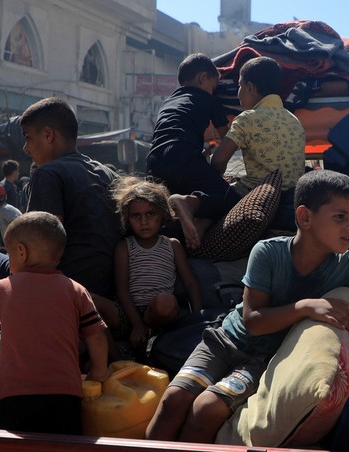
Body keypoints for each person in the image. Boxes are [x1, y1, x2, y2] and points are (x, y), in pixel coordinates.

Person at [145, 170, 349, 443]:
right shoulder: (268, 252)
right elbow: (252, 321)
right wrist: (306, 307)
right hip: (223, 342)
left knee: (206, 409)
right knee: (173, 399)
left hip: (263, 359)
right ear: (305, 217)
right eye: (340, 217)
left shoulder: (346, 266)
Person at [0, 98, 121, 310]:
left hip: (61, 286)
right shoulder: (108, 174)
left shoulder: (47, 173)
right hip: (106, 287)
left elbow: (39, 248)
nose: (25, 147)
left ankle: (9, 319)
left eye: (28, 137)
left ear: (48, 135)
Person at [0, 211, 111, 434]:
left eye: (8, 254)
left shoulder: (3, 288)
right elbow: (96, 336)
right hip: (65, 395)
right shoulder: (76, 290)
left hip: (14, 395)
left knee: (18, 450)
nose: (8, 260)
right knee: (62, 448)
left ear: (21, 252)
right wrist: (99, 372)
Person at [173, 56, 306, 236]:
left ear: (250, 87)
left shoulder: (247, 119)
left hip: (259, 193)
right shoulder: (294, 120)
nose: (238, 93)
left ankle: (192, 208)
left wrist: (216, 179)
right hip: (291, 198)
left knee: (220, 194)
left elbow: (218, 161)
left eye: (239, 86)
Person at [99, 178, 202, 350]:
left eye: (150, 214)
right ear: (127, 218)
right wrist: (137, 324)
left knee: (165, 302)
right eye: (136, 216)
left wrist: (197, 318)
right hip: (129, 314)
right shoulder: (124, 247)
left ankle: (152, 337)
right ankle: (114, 357)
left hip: (161, 312)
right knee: (90, 299)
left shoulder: (172, 245)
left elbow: (190, 282)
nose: (144, 222)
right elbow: (122, 290)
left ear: (162, 214)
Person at [146, 53, 234, 249]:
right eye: (213, 86)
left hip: (154, 161)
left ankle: (188, 227)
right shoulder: (208, 99)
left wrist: (201, 156)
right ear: (203, 78)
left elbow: (173, 134)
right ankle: (192, 208)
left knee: (164, 215)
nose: (213, 91)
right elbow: (228, 137)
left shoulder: (167, 102)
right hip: (183, 153)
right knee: (229, 197)